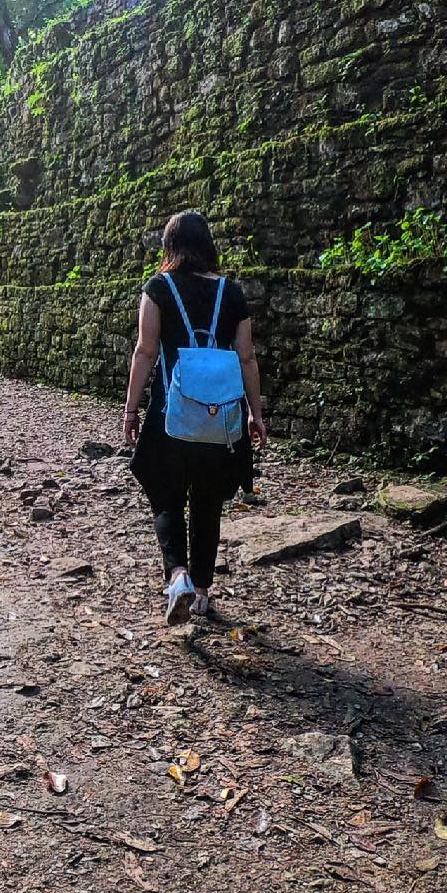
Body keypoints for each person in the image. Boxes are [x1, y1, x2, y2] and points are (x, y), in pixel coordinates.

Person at [122, 210, 267, 625]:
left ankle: (179, 576)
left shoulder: (158, 288)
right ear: (208, 245)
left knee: (165, 495)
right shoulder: (232, 293)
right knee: (208, 501)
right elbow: (247, 357)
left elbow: (146, 351)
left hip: (171, 415)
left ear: (170, 246)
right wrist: (255, 414)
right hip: (221, 419)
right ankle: (202, 592)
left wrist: (131, 410)